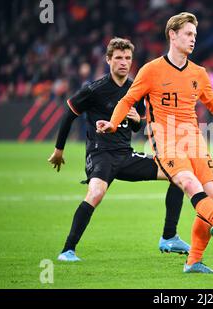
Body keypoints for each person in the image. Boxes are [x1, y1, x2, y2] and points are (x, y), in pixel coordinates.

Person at [96, 13, 213, 273]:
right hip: (164, 139)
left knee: (212, 194)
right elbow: (126, 100)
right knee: (189, 183)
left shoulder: (198, 73)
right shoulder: (151, 70)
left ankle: (194, 262)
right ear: (173, 35)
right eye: (188, 34)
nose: (193, 39)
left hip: (193, 139)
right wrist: (113, 123)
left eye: (194, 35)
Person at [48, 38, 190, 262]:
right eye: (118, 58)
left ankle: (169, 237)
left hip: (125, 154)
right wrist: (59, 150)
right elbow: (69, 113)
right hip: (100, 153)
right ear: (108, 60)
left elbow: (137, 125)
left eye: (127, 58)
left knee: (178, 174)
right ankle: (67, 250)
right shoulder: (95, 90)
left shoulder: (136, 88)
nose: (124, 62)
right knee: (96, 193)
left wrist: (136, 120)